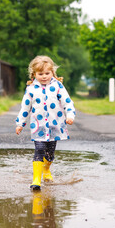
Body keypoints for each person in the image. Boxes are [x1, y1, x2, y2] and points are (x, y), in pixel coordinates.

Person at [15, 55, 75, 190]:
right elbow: (25, 108)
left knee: (50, 153)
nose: (44, 76)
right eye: (40, 74)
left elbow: (67, 102)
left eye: (47, 73)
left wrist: (69, 115)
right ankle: (36, 179)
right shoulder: (31, 89)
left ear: (52, 72)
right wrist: (20, 123)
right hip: (39, 127)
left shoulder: (58, 86)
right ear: (34, 74)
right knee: (39, 149)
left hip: (55, 126)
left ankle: (46, 170)